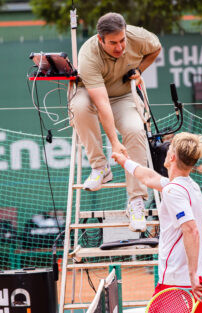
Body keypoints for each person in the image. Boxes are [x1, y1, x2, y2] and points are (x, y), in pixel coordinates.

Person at [71, 12, 162, 232]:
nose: (120, 47)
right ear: (100, 39)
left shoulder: (137, 36)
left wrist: (140, 69)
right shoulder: (88, 55)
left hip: (124, 96)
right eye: (113, 43)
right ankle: (100, 167)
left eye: (122, 41)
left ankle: (136, 202)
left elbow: (156, 47)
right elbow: (102, 104)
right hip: (92, 95)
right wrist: (114, 143)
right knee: (79, 107)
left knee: (135, 130)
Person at [112, 132, 202, 312]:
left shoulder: (173, 190)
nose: (166, 152)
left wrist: (191, 274)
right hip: (201, 280)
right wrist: (124, 161)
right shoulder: (189, 186)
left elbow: (191, 230)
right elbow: (149, 177)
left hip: (180, 284)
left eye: (170, 149)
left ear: (172, 157)